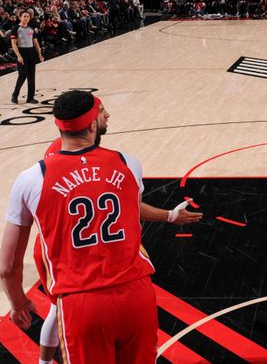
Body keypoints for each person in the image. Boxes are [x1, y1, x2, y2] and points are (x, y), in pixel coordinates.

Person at [0, 91, 158, 363]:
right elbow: (131, 212)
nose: (107, 115)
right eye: (102, 111)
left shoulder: (30, 179)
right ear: (93, 125)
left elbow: (7, 266)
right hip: (136, 295)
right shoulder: (129, 164)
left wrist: (18, 303)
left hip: (82, 303)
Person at [35, 134, 201, 364]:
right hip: (68, 252)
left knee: (58, 309)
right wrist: (169, 216)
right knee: (58, 309)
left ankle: (43, 362)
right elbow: (129, 203)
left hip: (70, 250)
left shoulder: (43, 176)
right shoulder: (105, 167)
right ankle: (44, 361)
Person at [10, 11, 43, 104]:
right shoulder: (16, 28)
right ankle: (15, 95)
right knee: (22, 75)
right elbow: (13, 44)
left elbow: (36, 43)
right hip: (22, 52)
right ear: (20, 17)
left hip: (31, 52)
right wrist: (19, 56)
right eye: (24, 16)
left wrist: (40, 54)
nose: (26, 18)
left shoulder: (31, 28)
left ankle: (30, 97)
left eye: (28, 16)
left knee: (31, 76)